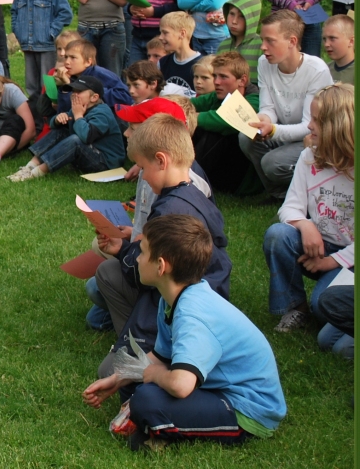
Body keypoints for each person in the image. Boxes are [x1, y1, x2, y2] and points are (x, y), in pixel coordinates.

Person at [84, 215, 286, 451]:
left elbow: (180, 385)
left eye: (142, 252)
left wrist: (155, 374)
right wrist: (117, 379)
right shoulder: (174, 297)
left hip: (250, 409)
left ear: (161, 266)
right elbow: (160, 356)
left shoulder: (192, 315)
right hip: (218, 388)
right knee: (139, 389)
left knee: (146, 401)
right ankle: (158, 430)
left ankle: (161, 433)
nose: (137, 258)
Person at [93, 114, 232, 387]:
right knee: (107, 271)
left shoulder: (170, 211)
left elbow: (144, 272)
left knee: (110, 372)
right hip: (196, 296)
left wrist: (126, 252)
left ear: (161, 160)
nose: (142, 174)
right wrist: (123, 247)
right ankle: (133, 346)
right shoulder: (191, 195)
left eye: (143, 167)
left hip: (178, 304)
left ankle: (144, 353)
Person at [84, 97, 210, 332]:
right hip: (148, 256)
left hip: (167, 277)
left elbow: (169, 257)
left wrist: (125, 250)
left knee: (100, 282)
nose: (126, 133)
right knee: (100, 260)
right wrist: (131, 235)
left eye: (133, 128)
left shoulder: (183, 193)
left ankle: (137, 336)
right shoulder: (154, 171)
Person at [263, 83, 354, 333]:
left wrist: (333, 261)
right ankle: (295, 307)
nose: (310, 125)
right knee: (277, 235)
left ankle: (317, 305)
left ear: (339, 126)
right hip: (318, 246)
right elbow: (289, 207)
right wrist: (305, 224)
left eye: (316, 120)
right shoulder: (309, 157)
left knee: (325, 309)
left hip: (350, 256)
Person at [240, 9, 333, 200]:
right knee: (245, 136)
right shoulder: (264, 63)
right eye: (262, 40)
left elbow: (308, 127)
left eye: (270, 41)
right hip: (282, 130)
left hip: (315, 138)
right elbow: (268, 108)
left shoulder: (316, 70)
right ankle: (277, 193)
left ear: (292, 41)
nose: (263, 47)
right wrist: (262, 120)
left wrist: (272, 130)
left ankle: (305, 192)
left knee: (272, 163)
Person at [9, 76, 125, 182]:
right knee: (62, 131)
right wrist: (58, 119)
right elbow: (54, 125)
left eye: (79, 92)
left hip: (106, 164)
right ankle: (30, 166)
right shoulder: (79, 108)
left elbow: (86, 137)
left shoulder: (102, 113)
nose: (74, 94)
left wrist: (78, 116)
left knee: (75, 140)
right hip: (91, 153)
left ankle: (35, 173)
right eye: (73, 91)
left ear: (94, 98)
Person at [191, 51, 260, 194]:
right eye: (215, 76)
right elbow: (186, 105)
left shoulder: (255, 100)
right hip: (219, 170)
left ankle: (187, 182)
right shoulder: (217, 96)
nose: (216, 82)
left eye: (223, 77)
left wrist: (190, 117)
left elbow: (224, 120)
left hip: (239, 179)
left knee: (213, 131)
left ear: (242, 80)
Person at [11, 0, 72, 103]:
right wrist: (18, 30)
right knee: (31, 84)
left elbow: (65, 14)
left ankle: (48, 111)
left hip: (46, 45)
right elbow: (14, 12)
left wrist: (51, 33)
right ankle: (34, 114)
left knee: (48, 82)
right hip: (28, 45)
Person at [53, 39, 132, 113]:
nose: (67, 62)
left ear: (88, 62)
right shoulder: (70, 77)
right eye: (66, 57)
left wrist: (93, 92)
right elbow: (65, 112)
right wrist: (66, 86)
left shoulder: (99, 73)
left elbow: (126, 96)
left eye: (73, 57)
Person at [215, 0, 263, 84]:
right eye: (232, 14)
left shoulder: (261, 46)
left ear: (251, 18)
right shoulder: (223, 45)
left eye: (241, 16)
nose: (234, 21)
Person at [156, 12, 200, 97]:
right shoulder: (162, 63)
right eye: (160, 33)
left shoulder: (201, 64)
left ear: (182, 33)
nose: (160, 37)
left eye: (165, 33)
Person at [323, 14, 355, 85]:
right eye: (324, 39)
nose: (326, 44)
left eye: (332, 38)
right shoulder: (324, 70)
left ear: (351, 41)